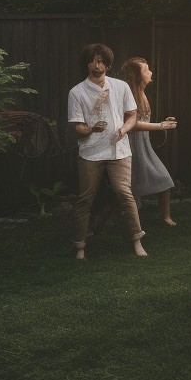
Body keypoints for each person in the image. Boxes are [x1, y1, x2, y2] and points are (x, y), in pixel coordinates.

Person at [68, 43, 144, 260]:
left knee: (124, 193)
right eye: (93, 61)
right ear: (87, 64)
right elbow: (77, 127)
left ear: (108, 65)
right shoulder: (77, 92)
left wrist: (124, 129)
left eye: (101, 61)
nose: (97, 65)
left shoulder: (121, 87)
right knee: (85, 198)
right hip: (90, 152)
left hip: (119, 150)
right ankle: (80, 245)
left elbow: (132, 115)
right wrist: (91, 128)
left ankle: (137, 239)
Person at [118, 58, 179, 227]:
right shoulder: (130, 94)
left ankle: (165, 216)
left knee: (164, 178)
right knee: (131, 183)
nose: (150, 72)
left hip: (144, 144)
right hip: (131, 144)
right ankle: (127, 219)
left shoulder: (143, 92)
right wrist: (160, 126)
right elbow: (133, 125)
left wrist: (163, 123)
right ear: (137, 76)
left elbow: (144, 121)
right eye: (147, 70)